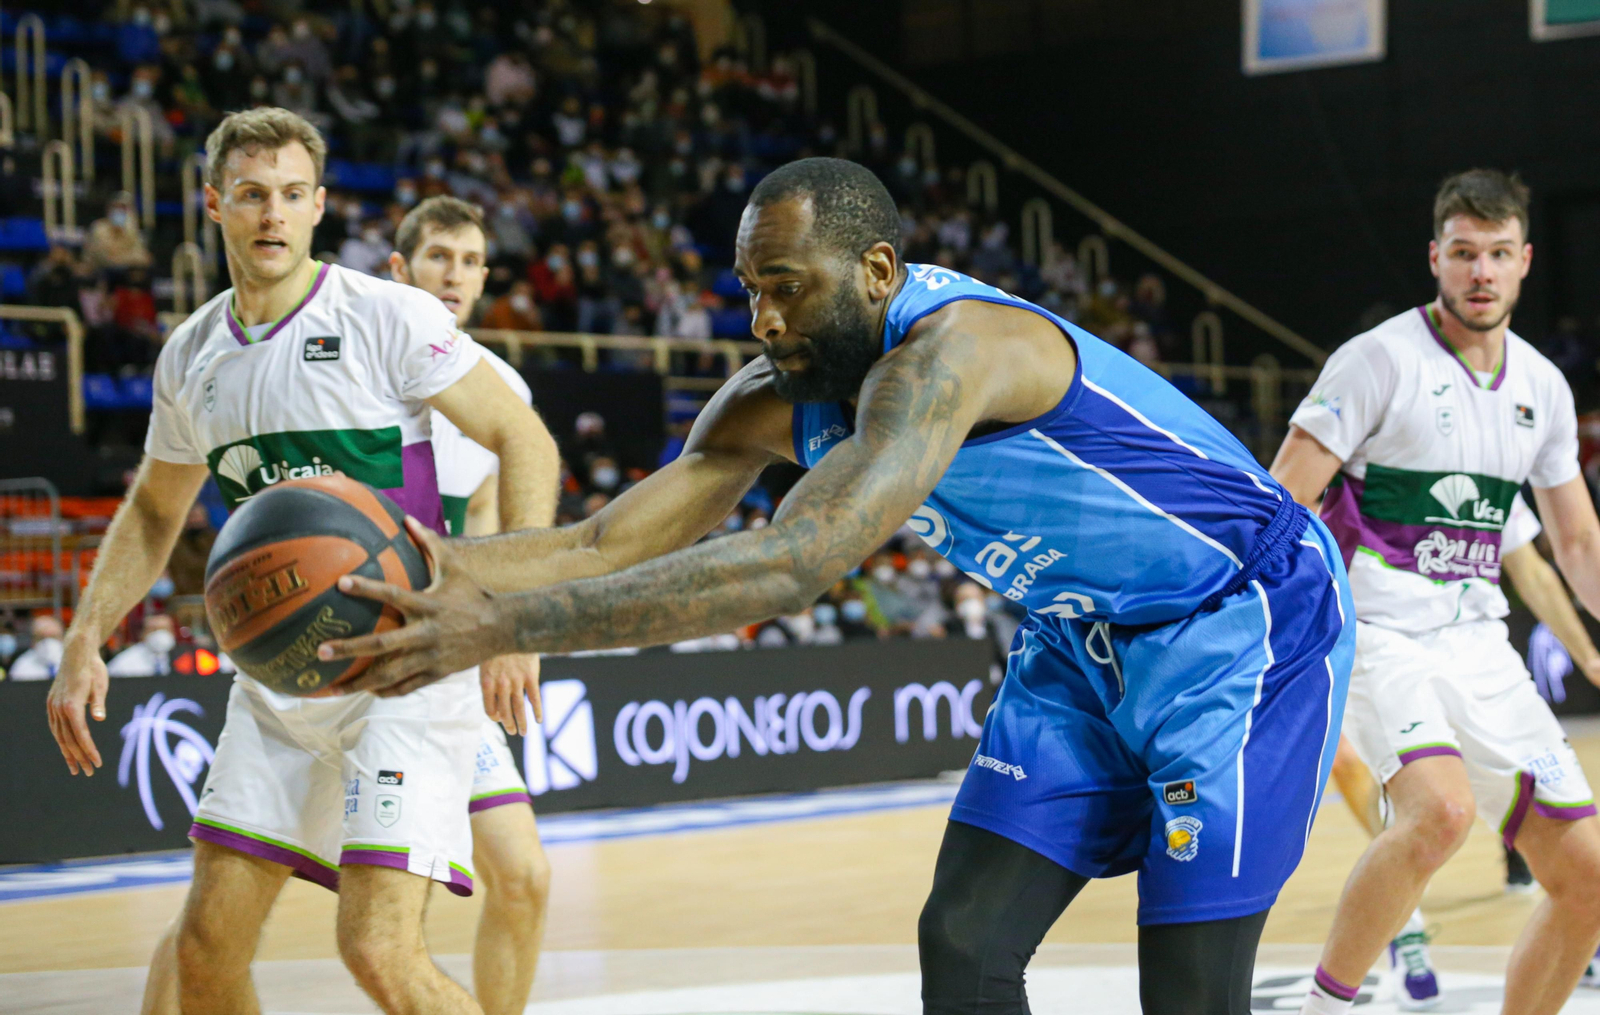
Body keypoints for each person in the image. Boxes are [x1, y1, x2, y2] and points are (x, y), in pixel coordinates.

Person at [315, 157, 1356, 1014]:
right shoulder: (780, 395)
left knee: (1186, 995)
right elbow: (597, 543)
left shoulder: (956, 353)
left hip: (1243, 626)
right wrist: (412, 572)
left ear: (875, 268)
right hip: (1076, 643)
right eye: (751, 291)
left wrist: (497, 622)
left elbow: (796, 560)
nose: (763, 320)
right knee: (963, 941)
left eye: (787, 286)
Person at [44, 107, 556, 1015]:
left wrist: (511, 613)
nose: (271, 215)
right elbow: (156, 508)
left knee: (376, 948)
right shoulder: (192, 353)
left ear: (319, 206)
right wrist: (86, 633)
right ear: (214, 206)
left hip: (404, 666)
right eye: (250, 195)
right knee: (205, 949)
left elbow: (524, 438)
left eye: (290, 195)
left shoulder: (386, 316)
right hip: (278, 677)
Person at [1270, 170, 1600, 1015]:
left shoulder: (1543, 387)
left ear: (1525, 261)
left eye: (1497, 254)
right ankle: (1326, 1006)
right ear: (1436, 260)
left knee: (1590, 878)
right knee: (1440, 813)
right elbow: (1279, 503)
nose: (1480, 272)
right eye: (1463, 254)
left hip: (1478, 645)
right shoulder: (1378, 359)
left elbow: (1575, 542)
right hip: (1379, 632)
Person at [1324, 492, 1600, 1007]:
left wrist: (1589, 656)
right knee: (1414, 803)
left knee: (1560, 829)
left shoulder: (1501, 461)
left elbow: (1539, 567)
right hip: (1372, 642)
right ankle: (1405, 925)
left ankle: (1569, 912)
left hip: (1469, 646)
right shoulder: (1356, 467)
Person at [387, 194, 556, 1015]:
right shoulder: (360, 365)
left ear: (485, 277)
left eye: (467, 261)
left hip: (446, 664)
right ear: (400, 269)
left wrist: (505, 629)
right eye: (436, 258)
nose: (452, 275)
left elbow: (488, 524)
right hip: (368, 663)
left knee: (521, 879)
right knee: (228, 907)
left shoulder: (502, 388)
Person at [106, 614, 177, 678]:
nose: (160, 634)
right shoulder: (126, 660)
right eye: (154, 629)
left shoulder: (181, 655)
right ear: (143, 634)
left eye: (164, 629)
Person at [8, 615, 65, 680]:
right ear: (32, 641)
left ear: (63, 638)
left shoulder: (75, 663)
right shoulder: (21, 666)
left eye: (53, 637)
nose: (48, 642)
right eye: (41, 638)